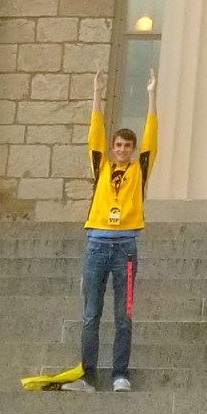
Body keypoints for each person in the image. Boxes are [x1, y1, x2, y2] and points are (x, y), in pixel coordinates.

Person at [61, 68, 157, 393]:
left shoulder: (139, 169)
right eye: (118, 144)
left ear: (132, 149)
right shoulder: (100, 166)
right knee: (91, 314)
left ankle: (120, 373)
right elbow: (94, 132)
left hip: (126, 248)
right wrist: (97, 94)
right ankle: (88, 375)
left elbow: (152, 138)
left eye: (127, 145)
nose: (122, 149)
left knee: (124, 315)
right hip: (97, 245)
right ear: (112, 147)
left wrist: (151, 97)